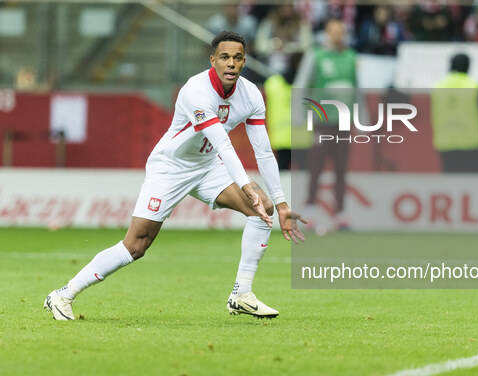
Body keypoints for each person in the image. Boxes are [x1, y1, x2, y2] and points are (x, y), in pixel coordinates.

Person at [44, 31, 306, 321]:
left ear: (244, 61)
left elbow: (264, 151)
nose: (231, 63)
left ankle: (241, 294)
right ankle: (62, 295)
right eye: (224, 57)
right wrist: (247, 186)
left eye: (237, 57)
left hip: (208, 167)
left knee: (263, 210)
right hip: (171, 168)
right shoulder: (196, 90)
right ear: (212, 60)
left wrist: (281, 203)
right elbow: (223, 144)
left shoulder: (251, 94)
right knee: (137, 245)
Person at [294, 19, 357, 230]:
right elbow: (302, 84)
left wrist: (362, 118)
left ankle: (341, 214)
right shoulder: (316, 56)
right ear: (326, 34)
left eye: (341, 32)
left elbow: (357, 88)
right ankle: (310, 211)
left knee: (341, 169)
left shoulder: (350, 57)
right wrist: (299, 115)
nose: (338, 36)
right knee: (316, 167)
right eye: (334, 32)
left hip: (343, 122)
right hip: (322, 121)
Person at [431, 53, 478, 173]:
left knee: (451, 185)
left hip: (445, 141)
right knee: (473, 186)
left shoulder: (438, 86)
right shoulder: (474, 85)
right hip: (471, 143)